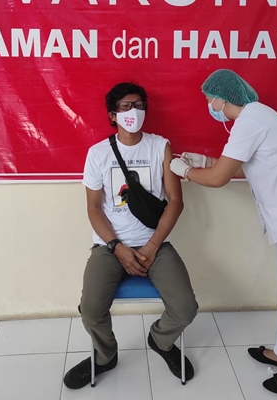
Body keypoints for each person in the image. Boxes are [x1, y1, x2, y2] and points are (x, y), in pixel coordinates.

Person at [170, 69, 277, 396]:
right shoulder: (256, 117)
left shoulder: (251, 121)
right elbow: (245, 163)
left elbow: (219, 178)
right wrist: (205, 161)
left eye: (210, 99)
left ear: (223, 98)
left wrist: (186, 171)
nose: (209, 105)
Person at [64, 82, 198, 390]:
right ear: (112, 115)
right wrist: (116, 246)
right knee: (91, 310)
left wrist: (152, 245)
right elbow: (93, 208)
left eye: (139, 105)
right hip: (109, 246)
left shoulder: (160, 146)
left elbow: (176, 202)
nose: (133, 112)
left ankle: (160, 340)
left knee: (186, 308)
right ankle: (105, 356)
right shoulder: (98, 153)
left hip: (155, 244)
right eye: (125, 106)